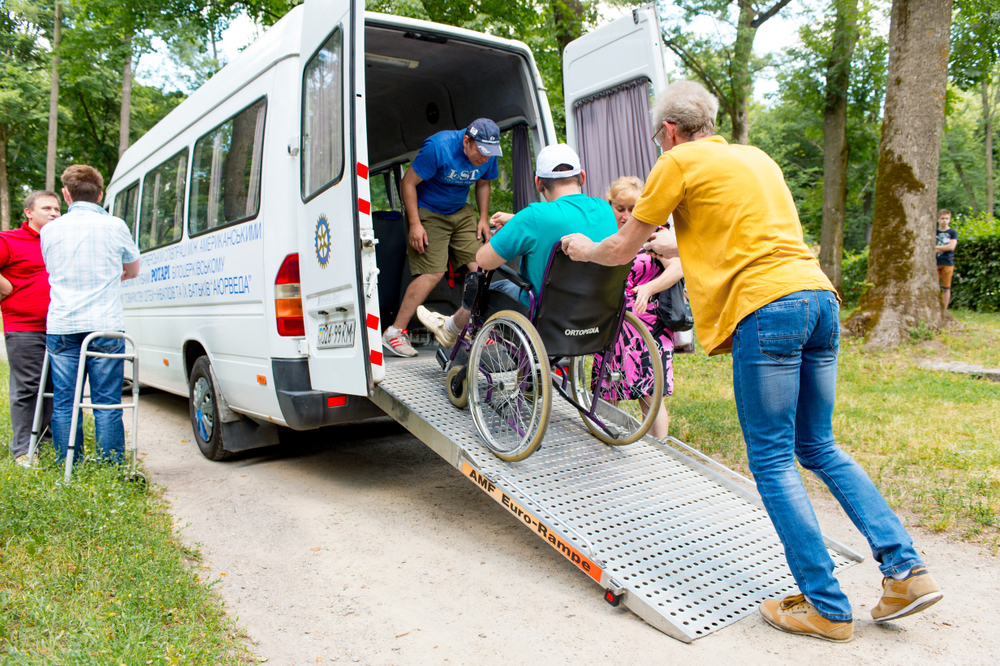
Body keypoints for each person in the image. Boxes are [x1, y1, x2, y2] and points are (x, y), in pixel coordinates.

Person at [561, 80, 941, 643]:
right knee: (819, 446)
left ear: (668, 131)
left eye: (657, 136)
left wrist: (584, 248)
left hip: (765, 310)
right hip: (817, 298)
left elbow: (617, 249)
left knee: (771, 460)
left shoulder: (677, 161)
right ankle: (905, 570)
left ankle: (826, 606)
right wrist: (658, 245)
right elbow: (711, 236)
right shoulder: (753, 158)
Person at [416, 143, 617, 341]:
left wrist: (504, 235)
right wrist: (516, 221)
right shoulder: (606, 210)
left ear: (538, 182)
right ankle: (451, 327)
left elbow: (483, 261)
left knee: (491, 287)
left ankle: (451, 328)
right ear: (582, 176)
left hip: (542, 318)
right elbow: (567, 222)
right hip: (597, 315)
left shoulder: (534, 216)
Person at [40, 165, 141, 465]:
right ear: (100, 194)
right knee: (107, 402)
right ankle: (110, 469)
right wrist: (113, 275)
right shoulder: (115, 226)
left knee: (64, 402)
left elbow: (51, 269)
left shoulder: (49, 229)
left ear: (66, 195)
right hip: (104, 326)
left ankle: (69, 464)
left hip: (62, 324)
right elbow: (133, 269)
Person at [381, 119, 502, 357]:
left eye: (490, 154)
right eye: (481, 153)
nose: (485, 160)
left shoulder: (487, 154)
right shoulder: (438, 147)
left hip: (460, 210)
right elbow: (408, 182)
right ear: (467, 141)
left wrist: (482, 217)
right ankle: (394, 332)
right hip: (428, 210)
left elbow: (483, 182)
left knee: (483, 266)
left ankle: (476, 328)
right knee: (432, 272)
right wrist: (415, 224)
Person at [604, 176, 681, 439]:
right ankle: (603, 444)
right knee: (607, 389)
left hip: (648, 324)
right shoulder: (606, 233)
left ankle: (661, 452)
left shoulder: (655, 233)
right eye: (620, 208)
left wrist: (650, 288)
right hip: (612, 322)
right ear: (610, 205)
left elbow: (679, 267)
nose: (626, 216)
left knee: (648, 392)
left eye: (633, 209)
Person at [0, 191, 61, 465]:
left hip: (61, 326)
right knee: (28, 388)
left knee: (54, 386)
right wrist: (6, 287)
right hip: (24, 327)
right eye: (46, 208)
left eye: (57, 209)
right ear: (29, 212)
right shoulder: (9, 239)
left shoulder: (61, 240)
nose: (53, 213)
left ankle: (45, 439)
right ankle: (24, 450)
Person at [935, 209, 957, 309]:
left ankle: (944, 310)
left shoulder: (952, 232)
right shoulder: (933, 232)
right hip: (934, 263)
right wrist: (944, 247)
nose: (944, 220)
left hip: (948, 263)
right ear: (938, 219)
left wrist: (935, 248)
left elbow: (951, 247)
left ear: (949, 220)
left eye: (947, 218)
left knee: (946, 288)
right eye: (942, 218)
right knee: (933, 287)